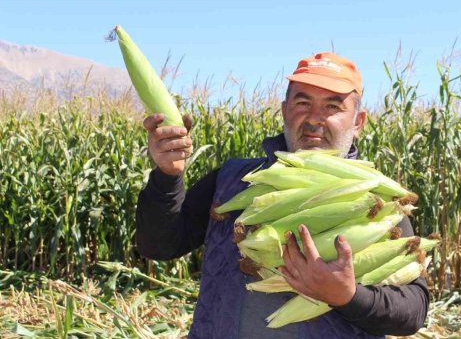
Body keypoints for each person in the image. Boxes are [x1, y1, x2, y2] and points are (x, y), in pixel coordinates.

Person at [136, 52, 430, 338]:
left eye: (332, 107)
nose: (314, 118)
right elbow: (159, 246)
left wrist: (348, 296)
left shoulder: (379, 201)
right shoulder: (233, 181)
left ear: (358, 122)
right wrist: (167, 175)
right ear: (284, 110)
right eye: (303, 102)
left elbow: (413, 311)